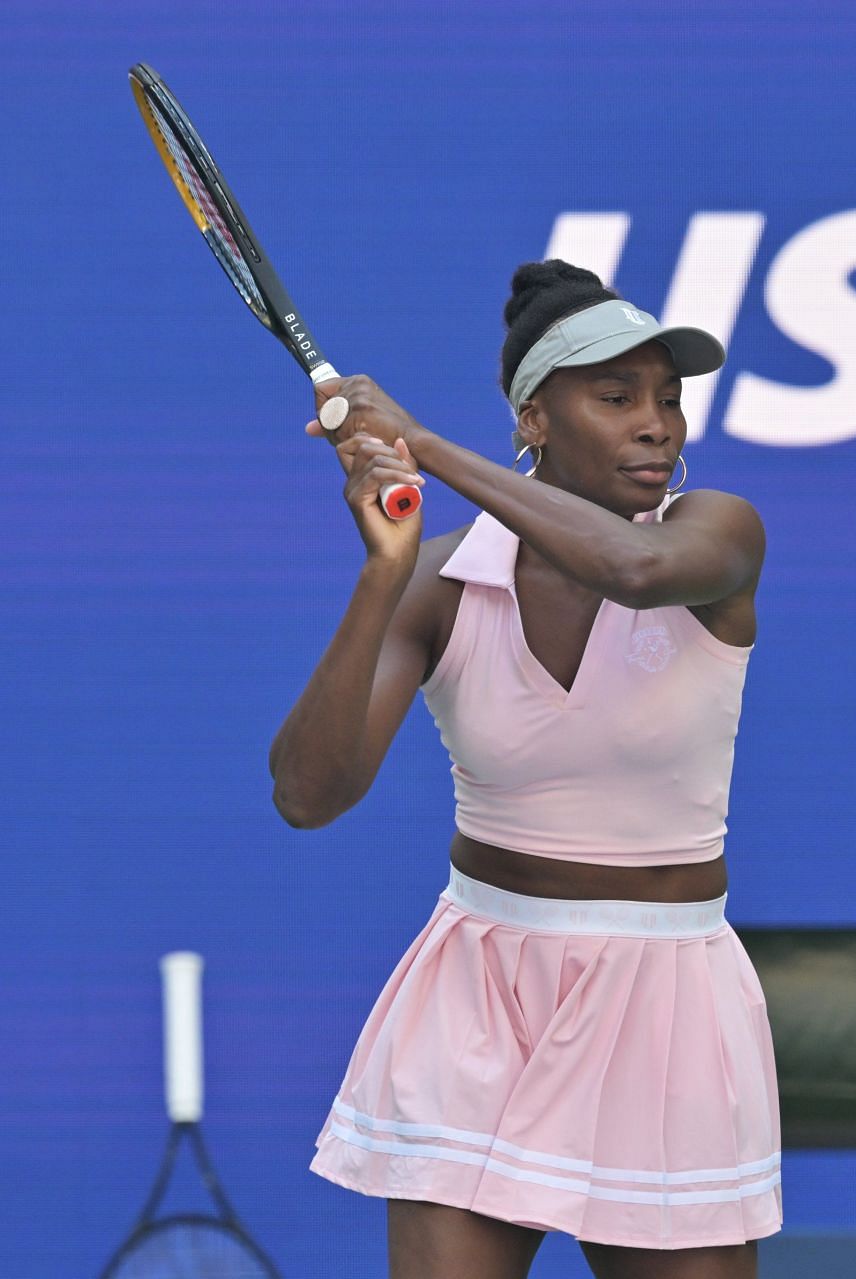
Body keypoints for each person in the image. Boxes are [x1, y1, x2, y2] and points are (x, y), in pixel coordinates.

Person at [270, 260, 778, 1279]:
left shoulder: (718, 532)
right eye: (616, 396)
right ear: (534, 418)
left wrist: (429, 447)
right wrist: (385, 573)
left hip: (668, 1001)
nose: (658, 425)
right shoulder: (441, 580)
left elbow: (632, 571)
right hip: (479, 999)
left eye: (669, 400)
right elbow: (307, 796)